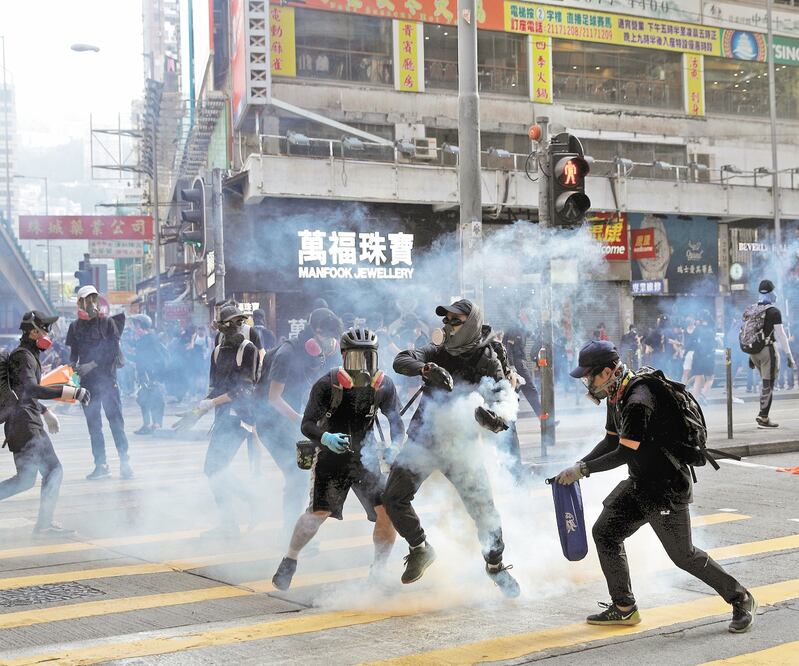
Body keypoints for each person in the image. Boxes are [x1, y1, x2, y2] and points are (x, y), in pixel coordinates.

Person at [556, 340, 756, 633]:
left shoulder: (638, 398)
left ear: (609, 371)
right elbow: (611, 440)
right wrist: (578, 465)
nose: (588, 382)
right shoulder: (617, 395)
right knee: (605, 533)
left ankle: (741, 598)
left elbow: (625, 451)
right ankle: (624, 607)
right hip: (640, 485)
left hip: (666, 489)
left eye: (590, 376)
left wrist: (583, 470)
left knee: (683, 555)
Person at [382, 299, 520, 598]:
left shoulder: (487, 358)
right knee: (393, 496)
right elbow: (402, 360)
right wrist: (427, 368)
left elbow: (504, 402)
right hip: (424, 439)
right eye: (446, 321)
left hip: (461, 446)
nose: (448, 326)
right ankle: (420, 548)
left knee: (485, 512)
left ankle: (495, 566)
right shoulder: (437, 351)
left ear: (470, 323)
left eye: (455, 321)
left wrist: (493, 419)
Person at [272, 328, 405, 590]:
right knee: (317, 513)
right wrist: (326, 439)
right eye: (358, 357)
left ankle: (378, 572)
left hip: (367, 459)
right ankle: (290, 559)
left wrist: (396, 446)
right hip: (332, 460)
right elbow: (307, 425)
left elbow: (397, 424)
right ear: (344, 356)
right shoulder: (326, 384)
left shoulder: (384, 385)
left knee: (386, 513)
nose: (364, 364)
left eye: (370, 357)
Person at [1, 311, 91, 535]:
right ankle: (44, 525)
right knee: (54, 470)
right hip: (25, 424)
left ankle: (44, 524)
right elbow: (30, 389)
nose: (49, 334)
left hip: (20, 423)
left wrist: (45, 411)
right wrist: (71, 392)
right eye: (46, 329)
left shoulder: (26, 355)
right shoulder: (24, 357)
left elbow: (20, 392)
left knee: (25, 480)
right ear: (33, 332)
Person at [254, 307, 343, 533]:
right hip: (270, 422)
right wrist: (303, 421)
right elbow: (274, 398)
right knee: (296, 476)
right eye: (328, 337)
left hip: (293, 421)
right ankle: (290, 533)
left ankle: (295, 529)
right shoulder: (286, 355)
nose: (330, 343)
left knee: (303, 477)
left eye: (334, 339)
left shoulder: (315, 354)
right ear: (315, 331)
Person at [194, 304, 260, 537]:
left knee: (214, 469)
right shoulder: (217, 351)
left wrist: (212, 403)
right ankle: (233, 520)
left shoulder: (248, 349)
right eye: (229, 324)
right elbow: (215, 387)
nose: (235, 328)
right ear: (221, 328)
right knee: (214, 469)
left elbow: (244, 389)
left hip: (241, 418)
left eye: (238, 323)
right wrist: (200, 408)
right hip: (222, 416)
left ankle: (245, 508)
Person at [66, 285, 133, 480]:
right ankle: (101, 464)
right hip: (87, 384)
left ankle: (124, 461)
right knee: (94, 426)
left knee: (116, 423)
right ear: (80, 303)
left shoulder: (107, 323)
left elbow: (112, 351)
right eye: (86, 300)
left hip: (107, 381)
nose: (90, 303)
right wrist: (70, 367)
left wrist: (92, 365)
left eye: (93, 299)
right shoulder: (74, 327)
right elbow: (73, 354)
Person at [744, 280, 796, 428]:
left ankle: (763, 414)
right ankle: (763, 417)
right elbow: (781, 335)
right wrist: (789, 356)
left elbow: (751, 333)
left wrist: (750, 355)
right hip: (767, 351)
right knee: (768, 384)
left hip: (753, 352)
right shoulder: (774, 311)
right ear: (772, 292)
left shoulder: (753, 309)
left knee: (764, 383)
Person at [131, 315, 167, 435]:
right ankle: (147, 425)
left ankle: (155, 425)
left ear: (143, 327)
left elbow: (159, 358)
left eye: (137, 326)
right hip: (144, 376)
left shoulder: (151, 339)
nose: (135, 329)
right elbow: (138, 358)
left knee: (156, 399)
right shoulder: (142, 340)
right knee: (143, 399)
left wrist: (152, 373)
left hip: (152, 377)